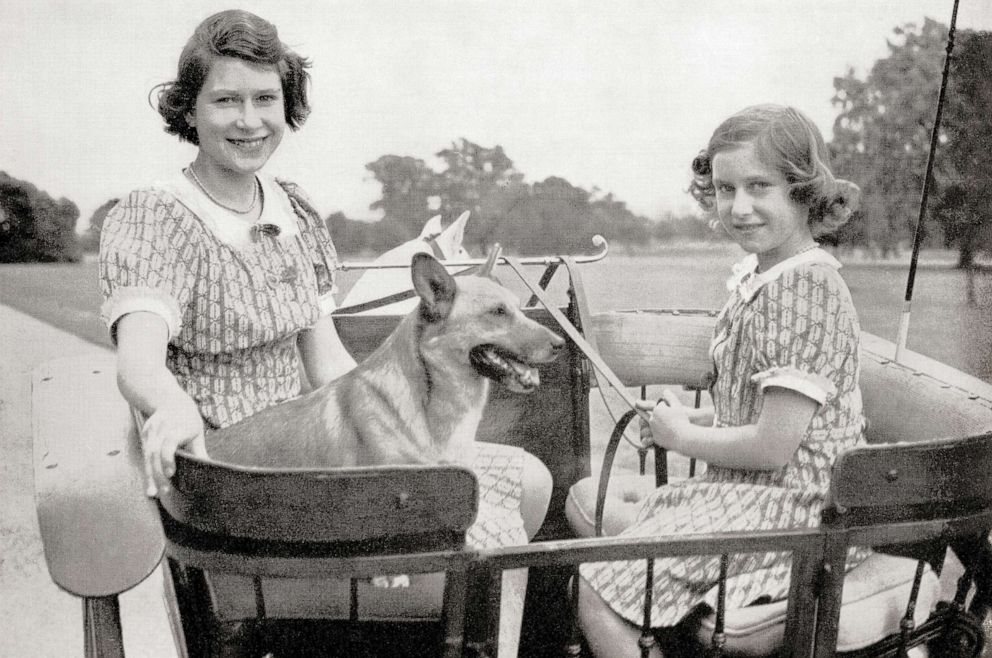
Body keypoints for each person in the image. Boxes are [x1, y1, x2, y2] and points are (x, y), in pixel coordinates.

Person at [99, 9, 551, 552]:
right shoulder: (154, 216)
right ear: (190, 111)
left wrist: (412, 431)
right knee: (477, 541)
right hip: (235, 477)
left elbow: (328, 364)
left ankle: (479, 633)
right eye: (226, 100)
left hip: (314, 450)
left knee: (529, 482)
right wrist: (173, 407)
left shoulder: (293, 211)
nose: (249, 120)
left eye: (265, 99)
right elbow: (139, 363)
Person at [575, 104, 869, 657]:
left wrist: (678, 439)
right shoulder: (767, 278)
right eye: (725, 188)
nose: (739, 206)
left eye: (760, 186)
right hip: (756, 495)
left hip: (798, 514)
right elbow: (764, 412)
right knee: (606, 524)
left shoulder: (803, 290)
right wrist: (692, 419)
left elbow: (774, 446)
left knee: (593, 587)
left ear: (803, 190)